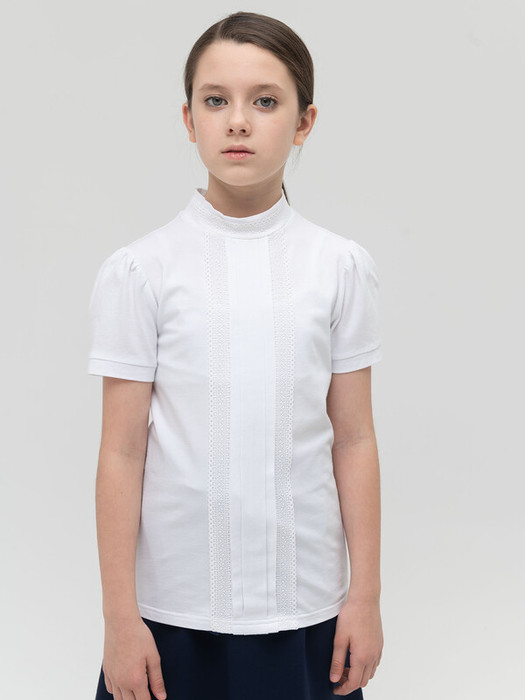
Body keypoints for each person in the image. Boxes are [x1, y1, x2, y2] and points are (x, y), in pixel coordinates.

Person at [88, 11, 384, 700]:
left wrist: (364, 597)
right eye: (216, 100)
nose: (239, 122)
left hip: (305, 608)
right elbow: (121, 452)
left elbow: (354, 438)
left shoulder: (338, 267)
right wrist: (119, 620)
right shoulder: (141, 271)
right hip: (172, 616)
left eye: (265, 101)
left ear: (304, 122)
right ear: (188, 119)